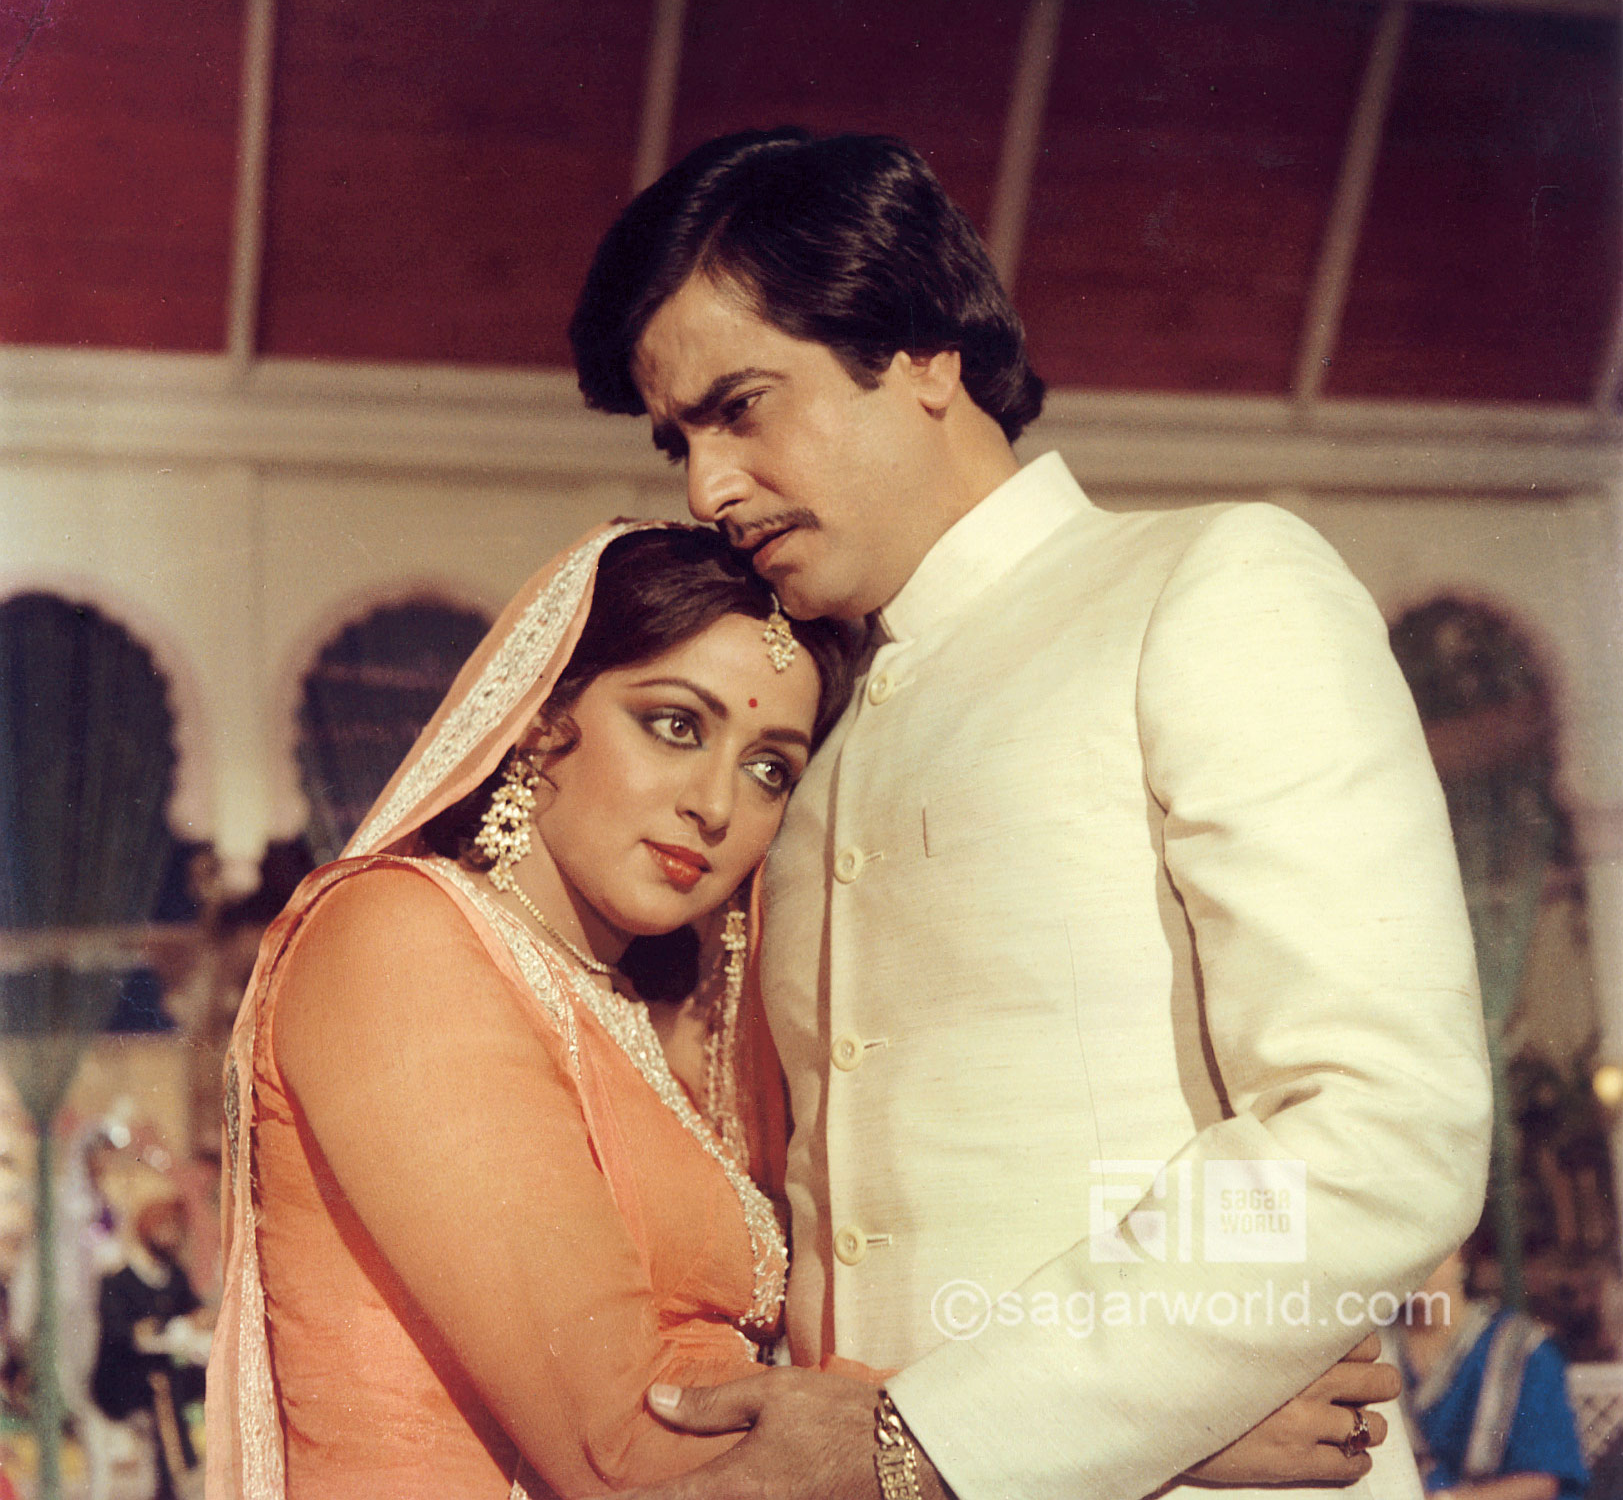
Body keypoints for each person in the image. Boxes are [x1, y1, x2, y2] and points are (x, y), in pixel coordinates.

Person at [567, 129, 1494, 1500]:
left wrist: (958, 1433)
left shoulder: (1206, 583)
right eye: (678, 443)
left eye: (741, 408)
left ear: (923, 352)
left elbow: (1378, 1126)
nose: (706, 489)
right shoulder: (802, 739)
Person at [206, 522, 1394, 1499]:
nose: (716, 803)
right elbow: (630, 1445)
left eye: (769, 765)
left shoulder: (629, 1015)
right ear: (541, 717)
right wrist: (1160, 1417)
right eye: (675, 723)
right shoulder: (397, 938)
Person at [1394, 1248, 1587, 1500]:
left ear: (1461, 1254)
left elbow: (1543, 1481)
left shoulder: (1521, 1349)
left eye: (1431, 1249)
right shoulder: (1377, 1348)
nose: (1418, 1264)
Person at [93, 1194, 211, 1500]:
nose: (171, 1236)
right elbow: (118, 1334)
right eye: (164, 1228)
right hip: (123, 1381)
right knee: (161, 1383)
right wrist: (149, 1331)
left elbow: (194, 1310)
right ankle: (180, 1474)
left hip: (165, 1371)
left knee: (193, 1378)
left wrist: (196, 1319)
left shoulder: (175, 1276)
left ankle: (189, 1470)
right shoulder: (120, 1280)